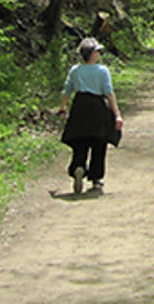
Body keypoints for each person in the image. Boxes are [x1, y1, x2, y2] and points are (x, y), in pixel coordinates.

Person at [57, 37, 123, 193]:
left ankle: (78, 167)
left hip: (79, 107)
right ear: (92, 54)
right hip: (97, 107)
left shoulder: (75, 70)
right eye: (97, 51)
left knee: (80, 142)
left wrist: (62, 107)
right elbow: (108, 93)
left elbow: (67, 90)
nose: (99, 53)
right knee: (99, 143)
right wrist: (117, 114)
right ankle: (96, 178)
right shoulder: (102, 71)